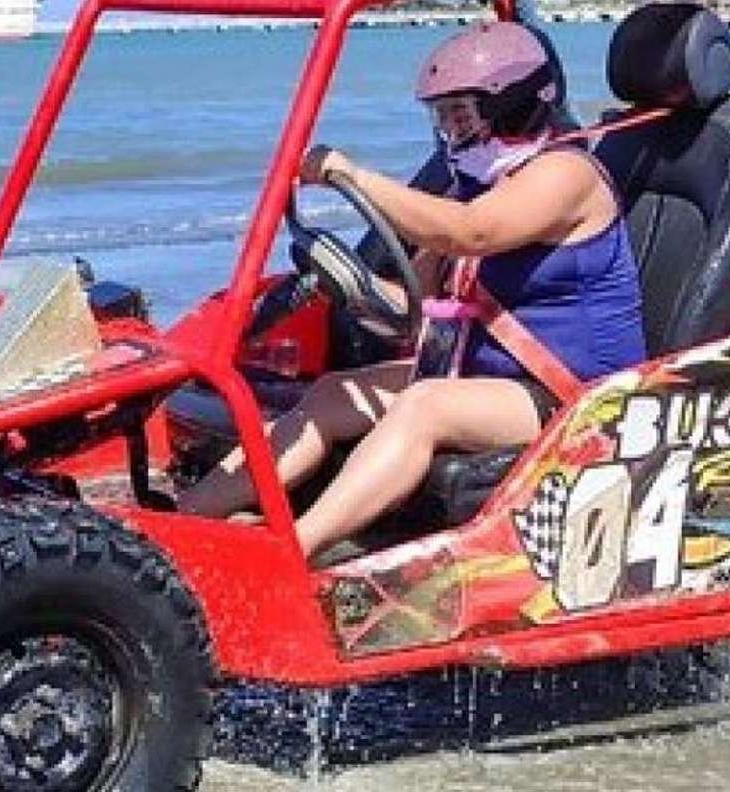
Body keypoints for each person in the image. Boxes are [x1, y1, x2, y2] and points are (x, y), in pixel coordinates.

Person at [178, 21, 646, 561]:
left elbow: (470, 232)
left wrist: (350, 175)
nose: (449, 129)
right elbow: (420, 302)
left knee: (424, 405)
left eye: (460, 114)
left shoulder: (566, 173)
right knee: (332, 393)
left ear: (510, 105)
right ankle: (181, 522)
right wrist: (353, 287)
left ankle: (290, 553)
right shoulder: (484, 180)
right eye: (441, 116)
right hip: (486, 370)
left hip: (576, 394)